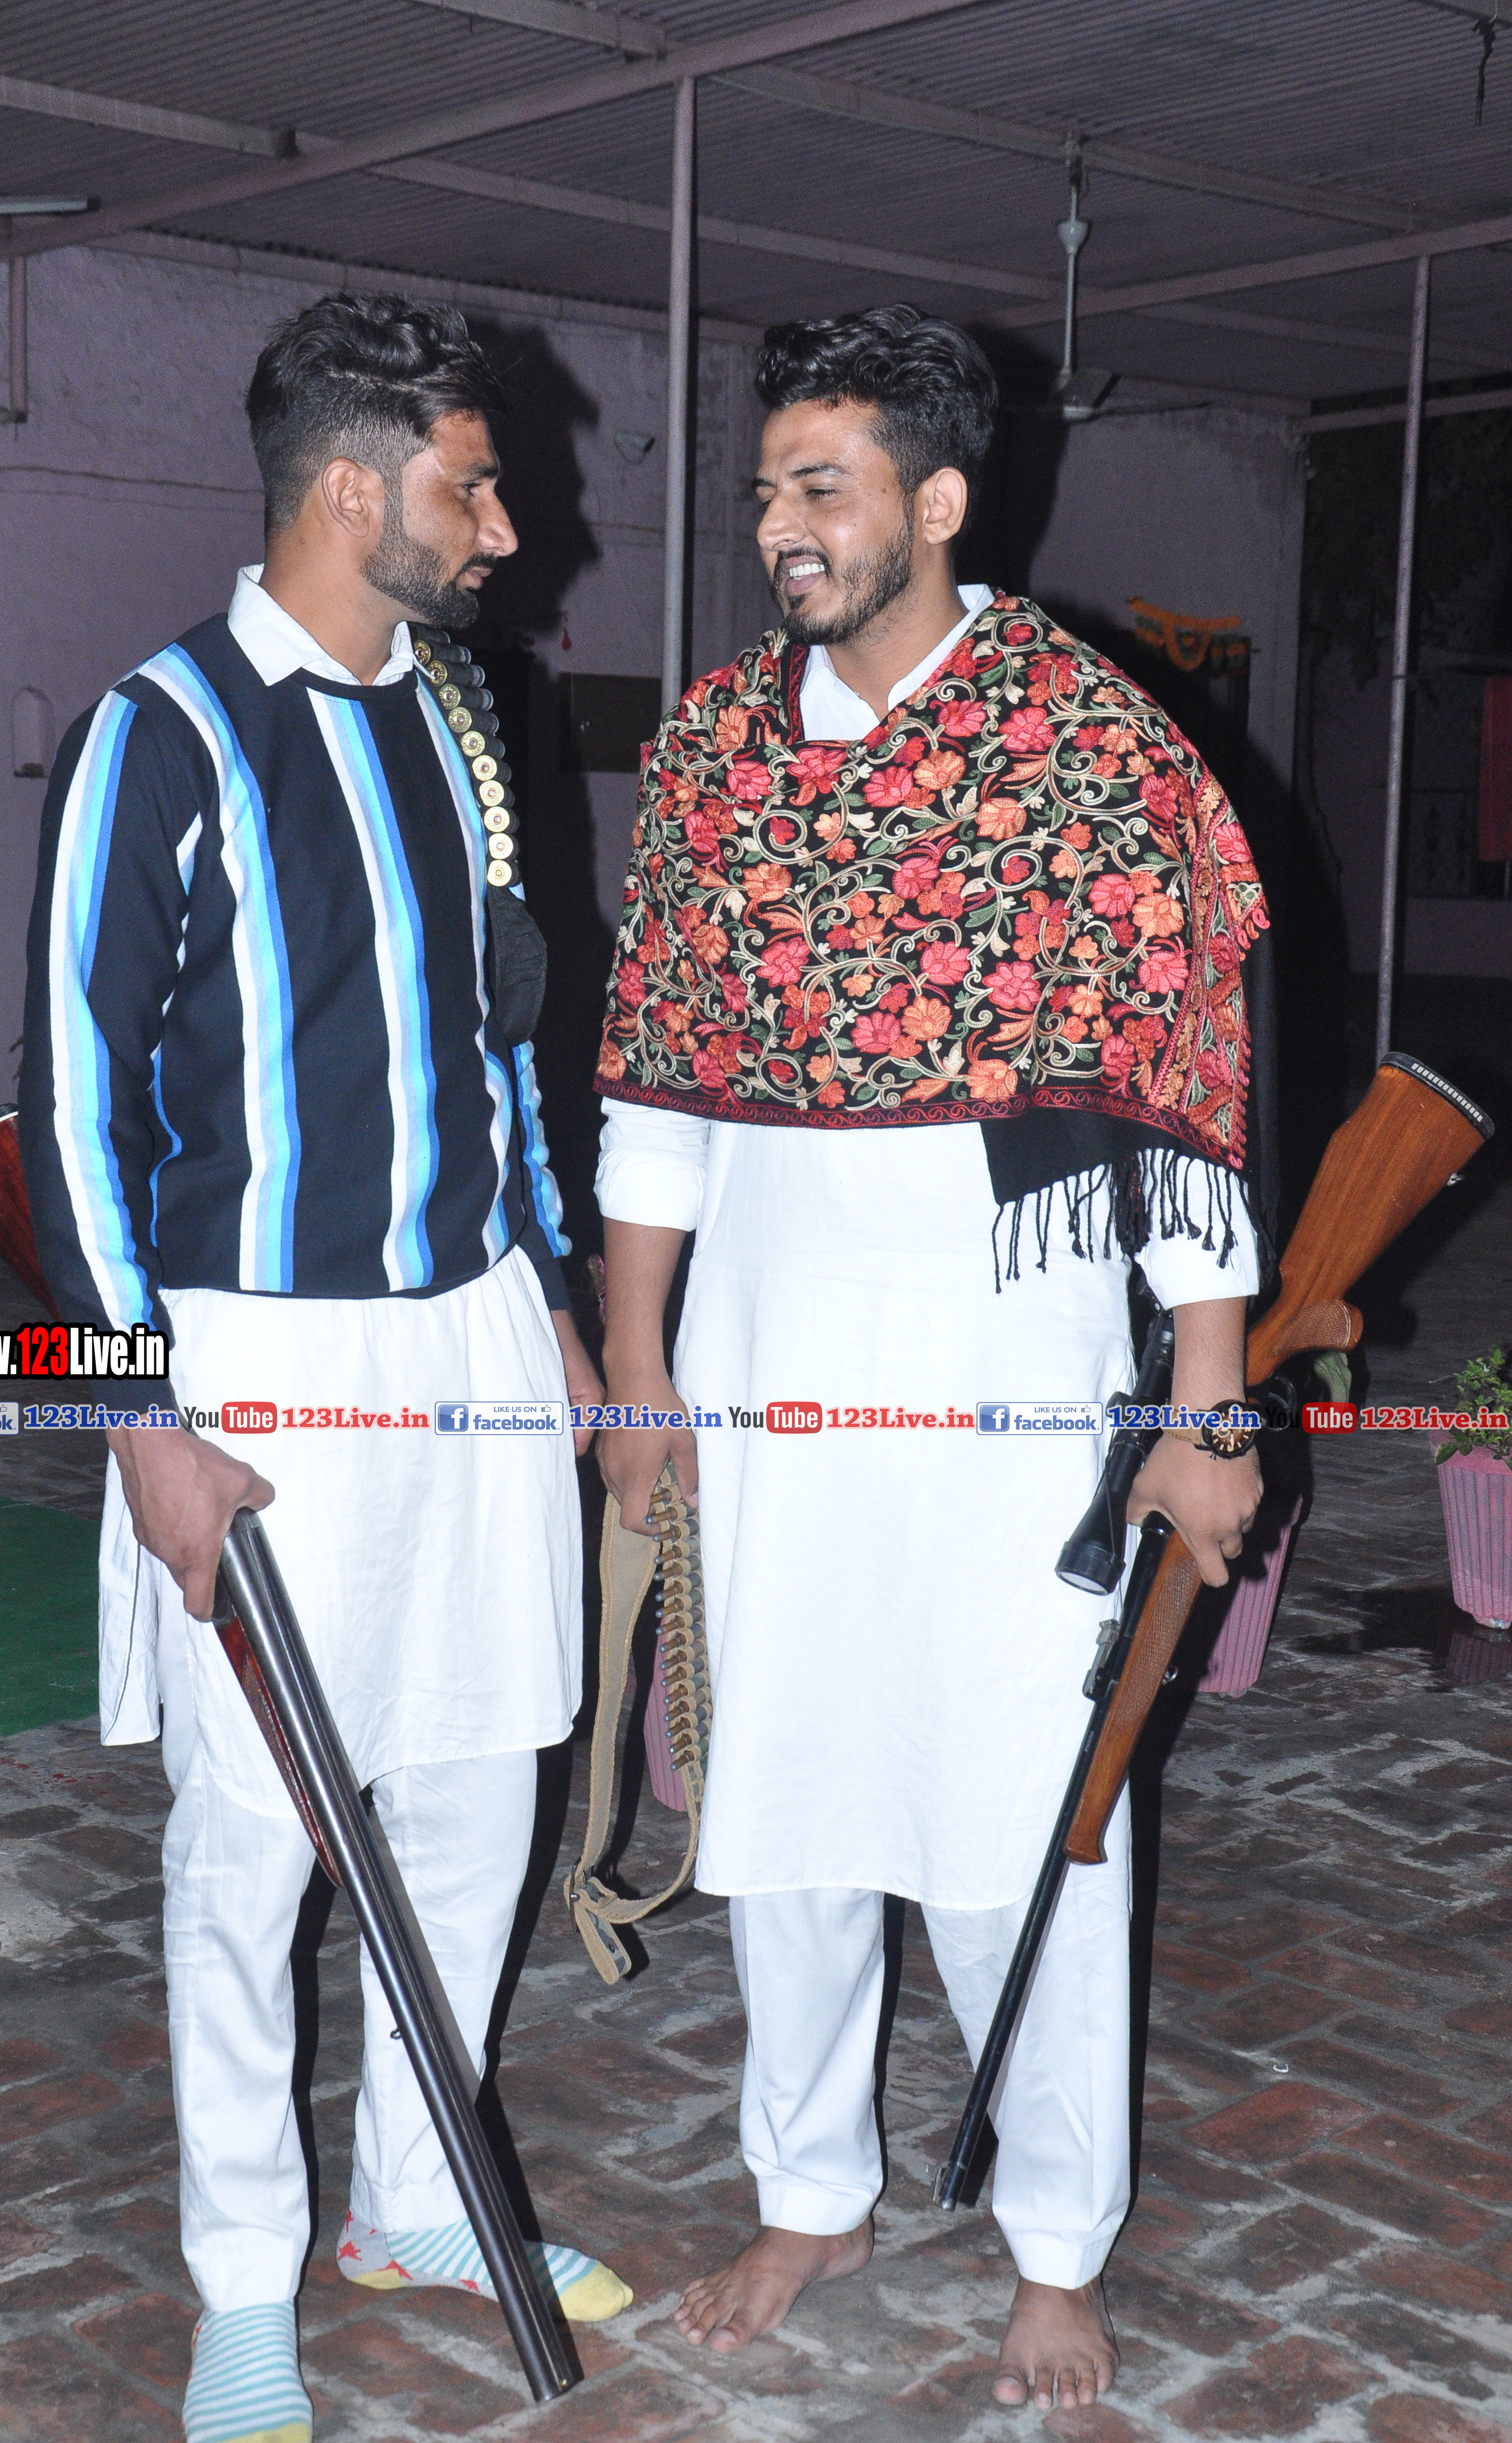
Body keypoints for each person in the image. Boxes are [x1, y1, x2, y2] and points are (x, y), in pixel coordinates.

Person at [594, 305, 1269, 2414]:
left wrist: (1207, 1404)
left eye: (825, 486)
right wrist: (636, 1357)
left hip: (1014, 1373)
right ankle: (812, 2192)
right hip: (766, 1362)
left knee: (1021, 1814)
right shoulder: (719, 753)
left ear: (941, 498)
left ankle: (1056, 2240)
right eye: (766, 490)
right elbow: (655, 1087)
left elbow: (1186, 1105)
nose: (779, 526)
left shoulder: (1093, 751)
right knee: (783, 1803)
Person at [19, 293, 630, 2443]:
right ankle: (237, 2285)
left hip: (474, 1333)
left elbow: (504, 1045)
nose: (505, 524)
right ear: (356, 490)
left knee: (475, 1791)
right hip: (257, 1360)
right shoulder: (163, 728)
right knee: (257, 1842)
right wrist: (136, 1419)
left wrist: (554, 1300)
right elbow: (71, 1103)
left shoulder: (463, 721)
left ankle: (416, 2206)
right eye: (474, 483)